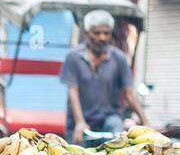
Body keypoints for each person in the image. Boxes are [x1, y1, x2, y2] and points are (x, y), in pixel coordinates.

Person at [61, 9, 148, 143]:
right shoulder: (73, 57)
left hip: (108, 121)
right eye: (97, 33)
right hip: (81, 122)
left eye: (106, 33)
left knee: (117, 133)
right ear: (87, 33)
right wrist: (80, 122)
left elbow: (130, 93)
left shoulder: (119, 58)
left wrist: (145, 122)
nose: (102, 38)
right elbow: (73, 91)